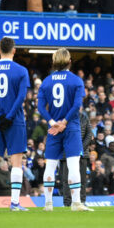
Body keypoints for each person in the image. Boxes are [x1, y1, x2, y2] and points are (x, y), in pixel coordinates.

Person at [37, 48, 92, 212]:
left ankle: (47, 204)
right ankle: (76, 203)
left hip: (53, 129)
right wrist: (65, 122)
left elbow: (40, 106)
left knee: (50, 165)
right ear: (69, 62)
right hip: (72, 127)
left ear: (53, 63)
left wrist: (53, 122)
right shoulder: (76, 80)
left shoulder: (46, 81)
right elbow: (77, 105)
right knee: (73, 164)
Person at [0, 37, 30, 211]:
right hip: (14, 121)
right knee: (17, 162)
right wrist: (9, 116)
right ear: (14, 50)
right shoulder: (21, 71)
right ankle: (15, 203)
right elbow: (21, 97)